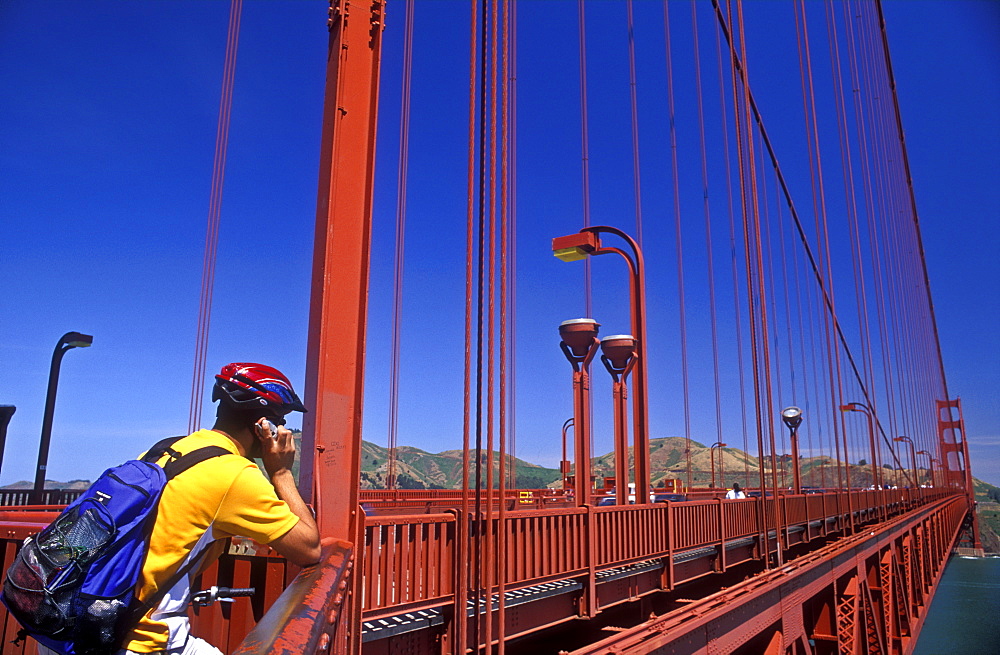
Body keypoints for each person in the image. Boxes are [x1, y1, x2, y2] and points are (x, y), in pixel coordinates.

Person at [39, 363, 321, 655]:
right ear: (265, 426)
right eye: (282, 421)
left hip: (67, 623)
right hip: (130, 640)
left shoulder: (167, 449)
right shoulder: (236, 475)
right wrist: (281, 474)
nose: (285, 431)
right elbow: (309, 549)